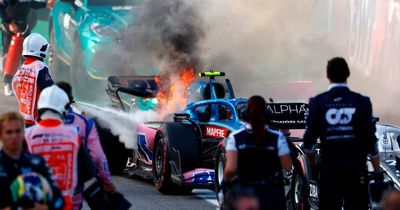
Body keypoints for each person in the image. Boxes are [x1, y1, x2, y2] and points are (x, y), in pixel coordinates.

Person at [303, 57, 381, 210]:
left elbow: (308, 145)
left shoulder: (317, 102)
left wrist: (316, 166)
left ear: (328, 75)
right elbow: (372, 143)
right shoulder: (362, 101)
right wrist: (377, 172)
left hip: (329, 172)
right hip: (356, 173)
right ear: (348, 74)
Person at [224, 95, 292, 210]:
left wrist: (224, 184)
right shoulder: (277, 137)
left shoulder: (235, 137)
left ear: (245, 114)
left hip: (246, 195)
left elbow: (230, 169)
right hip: (271, 195)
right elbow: (287, 166)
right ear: (266, 115)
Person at [56, 81, 117, 210]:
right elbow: (98, 156)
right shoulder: (84, 122)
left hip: (47, 188)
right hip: (75, 185)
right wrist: (106, 180)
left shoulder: (38, 127)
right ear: (71, 99)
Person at [25, 85, 80, 210]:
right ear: (64, 109)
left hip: (35, 203)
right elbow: (88, 170)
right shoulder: (73, 136)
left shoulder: (27, 135)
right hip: (64, 203)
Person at [0, 111, 64, 210]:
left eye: (18, 131)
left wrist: (44, 208)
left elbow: (59, 200)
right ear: (1, 135)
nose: (14, 136)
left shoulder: (37, 162)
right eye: (9, 132)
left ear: (23, 133)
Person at [0, 0, 55, 96]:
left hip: (23, 27)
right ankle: (7, 83)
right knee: (9, 57)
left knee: (28, 56)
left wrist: (45, 4)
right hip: (10, 28)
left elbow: (31, 3)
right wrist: (10, 23)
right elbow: (1, 6)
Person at [12, 33, 54, 127]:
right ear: (40, 49)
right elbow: (49, 89)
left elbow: (14, 86)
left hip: (25, 116)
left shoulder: (22, 68)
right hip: (39, 117)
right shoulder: (40, 67)